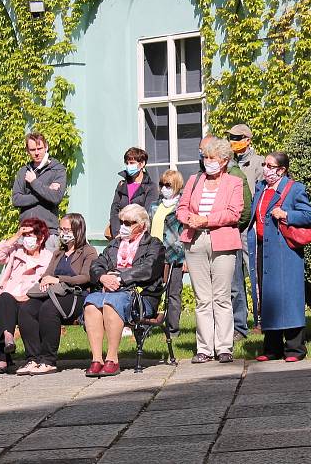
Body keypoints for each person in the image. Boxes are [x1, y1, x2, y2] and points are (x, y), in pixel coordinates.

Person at [178, 137, 243, 364]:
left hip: (223, 241)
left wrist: (205, 219)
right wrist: (190, 219)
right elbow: (181, 208)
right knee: (202, 298)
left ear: (224, 161)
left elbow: (234, 213)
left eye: (212, 158)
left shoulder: (234, 182)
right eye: (205, 157)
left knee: (222, 297)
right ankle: (204, 348)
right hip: (194, 241)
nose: (207, 162)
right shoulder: (194, 180)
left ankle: (224, 347)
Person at [248, 151, 311, 361]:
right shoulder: (261, 188)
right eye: (265, 165)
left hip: (285, 250)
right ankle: (272, 348)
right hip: (263, 249)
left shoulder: (294, 188)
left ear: (282, 169)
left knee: (289, 297)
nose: (265, 169)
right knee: (269, 297)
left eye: (270, 166)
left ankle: (295, 349)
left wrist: (286, 214)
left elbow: (308, 216)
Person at [86, 204, 165, 377]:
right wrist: (102, 277)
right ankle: (97, 359)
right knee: (91, 303)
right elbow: (97, 264)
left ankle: (112, 359)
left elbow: (148, 269)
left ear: (142, 225)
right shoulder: (114, 244)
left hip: (141, 297)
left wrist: (120, 279)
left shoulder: (154, 244)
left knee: (112, 302)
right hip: (112, 292)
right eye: (122, 222)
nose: (123, 226)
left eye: (129, 223)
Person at [17, 213, 98, 375]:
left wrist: (58, 279)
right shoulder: (58, 253)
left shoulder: (88, 251)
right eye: (61, 229)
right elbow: (46, 275)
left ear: (78, 230)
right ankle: (33, 358)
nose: (63, 233)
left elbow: (86, 277)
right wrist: (45, 281)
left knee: (48, 308)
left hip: (76, 294)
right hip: (53, 293)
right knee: (27, 309)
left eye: (67, 229)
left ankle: (48, 360)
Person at [0, 218, 53, 373]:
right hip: (11, 298)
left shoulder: (48, 257)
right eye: (24, 235)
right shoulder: (17, 251)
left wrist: (29, 295)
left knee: (17, 307)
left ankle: (3, 358)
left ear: (40, 238)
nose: (26, 239)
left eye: (30, 235)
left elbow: (47, 284)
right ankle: (8, 336)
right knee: (4, 299)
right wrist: (16, 235)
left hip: (32, 299)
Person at [228, 124, 265, 329]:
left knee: (256, 275)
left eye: (237, 137)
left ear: (248, 139)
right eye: (231, 137)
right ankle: (239, 323)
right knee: (235, 279)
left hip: (251, 226)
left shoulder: (259, 163)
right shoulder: (228, 163)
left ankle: (261, 320)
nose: (233, 141)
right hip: (233, 226)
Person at [12, 132, 66, 251]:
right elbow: (16, 199)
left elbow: (56, 198)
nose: (36, 153)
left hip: (49, 232)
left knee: (49, 269)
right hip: (26, 232)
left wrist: (34, 182)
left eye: (39, 148)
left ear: (46, 147)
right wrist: (45, 192)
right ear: (27, 150)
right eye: (32, 149)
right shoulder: (23, 172)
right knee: (25, 269)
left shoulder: (57, 170)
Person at [148, 169, 185, 337]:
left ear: (176, 186)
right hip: (154, 256)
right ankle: (146, 325)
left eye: (168, 185)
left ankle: (173, 330)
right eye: (162, 184)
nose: (164, 188)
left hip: (174, 256)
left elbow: (185, 233)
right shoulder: (155, 206)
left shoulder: (182, 207)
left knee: (173, 294)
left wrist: (185, 258)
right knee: (151, 291)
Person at [108, 147, 158, 239]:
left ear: (142, 163)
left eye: (132, 163)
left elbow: (147, 214)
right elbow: (114, 210)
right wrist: (117, 234)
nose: (128, 166)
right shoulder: (121, 185)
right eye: (127, 163)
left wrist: (134, 233)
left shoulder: (150, 187)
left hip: (140, 236)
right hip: (120, 234)